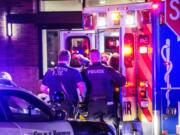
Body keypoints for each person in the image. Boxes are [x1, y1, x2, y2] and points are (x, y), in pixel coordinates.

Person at [82, 49, 126, 129]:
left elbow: (81, 87)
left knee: (93, 129)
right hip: (108, 104)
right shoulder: (108, 70)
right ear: (100, 57)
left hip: (93, 105)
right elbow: (122, 81)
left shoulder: (85, 71)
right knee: (111, 128)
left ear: (90, 58)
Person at [40, 50, 87, 118]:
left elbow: (42, 88)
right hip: (69, 105)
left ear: (58, 59)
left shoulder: (49, 71)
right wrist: (83, 101)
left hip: (54, 105)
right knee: (68, 124)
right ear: (69, 59)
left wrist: (52, 93)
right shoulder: (74, 72)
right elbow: (82, 88)